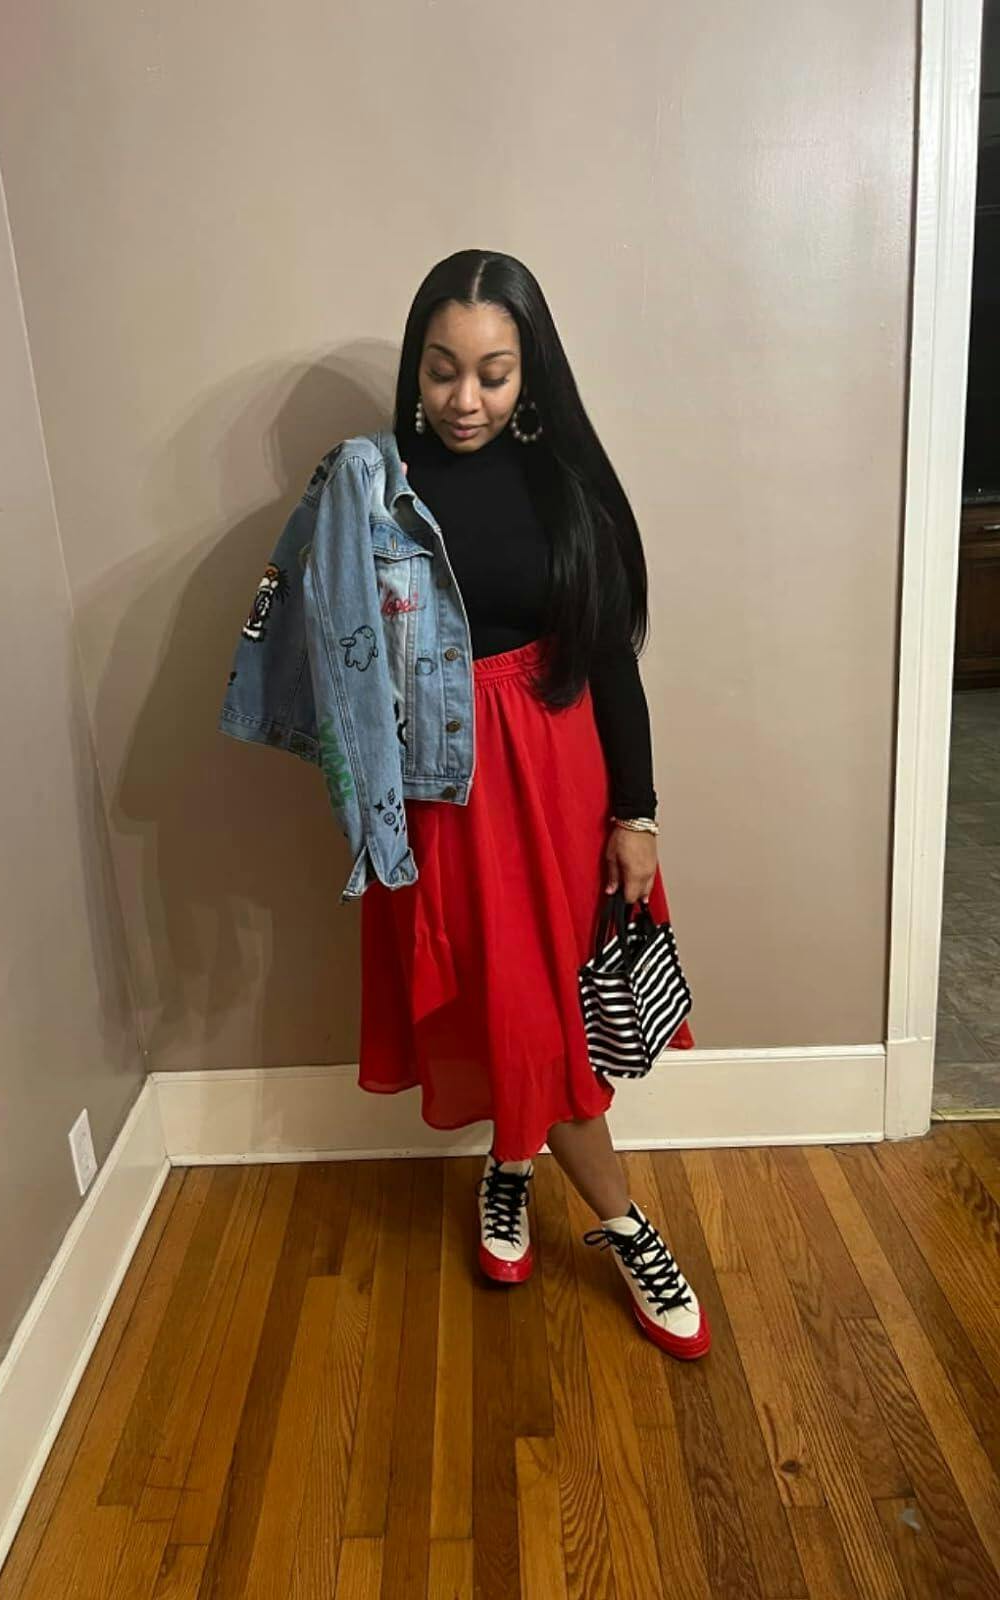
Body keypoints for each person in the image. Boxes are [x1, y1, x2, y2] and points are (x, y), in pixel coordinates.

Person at [356, 249, 709, 1361]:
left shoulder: (564, 487)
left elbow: (611, 661)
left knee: (550, 1011)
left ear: (530, 373)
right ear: (415, 366)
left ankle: (559, 1192)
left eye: (493, 374)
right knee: (504, 1006)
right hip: (443, 792)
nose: (464, 399)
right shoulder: (375, 489)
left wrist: (636, 814)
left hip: (557, 783)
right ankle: (572, 1195)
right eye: (442, 370)